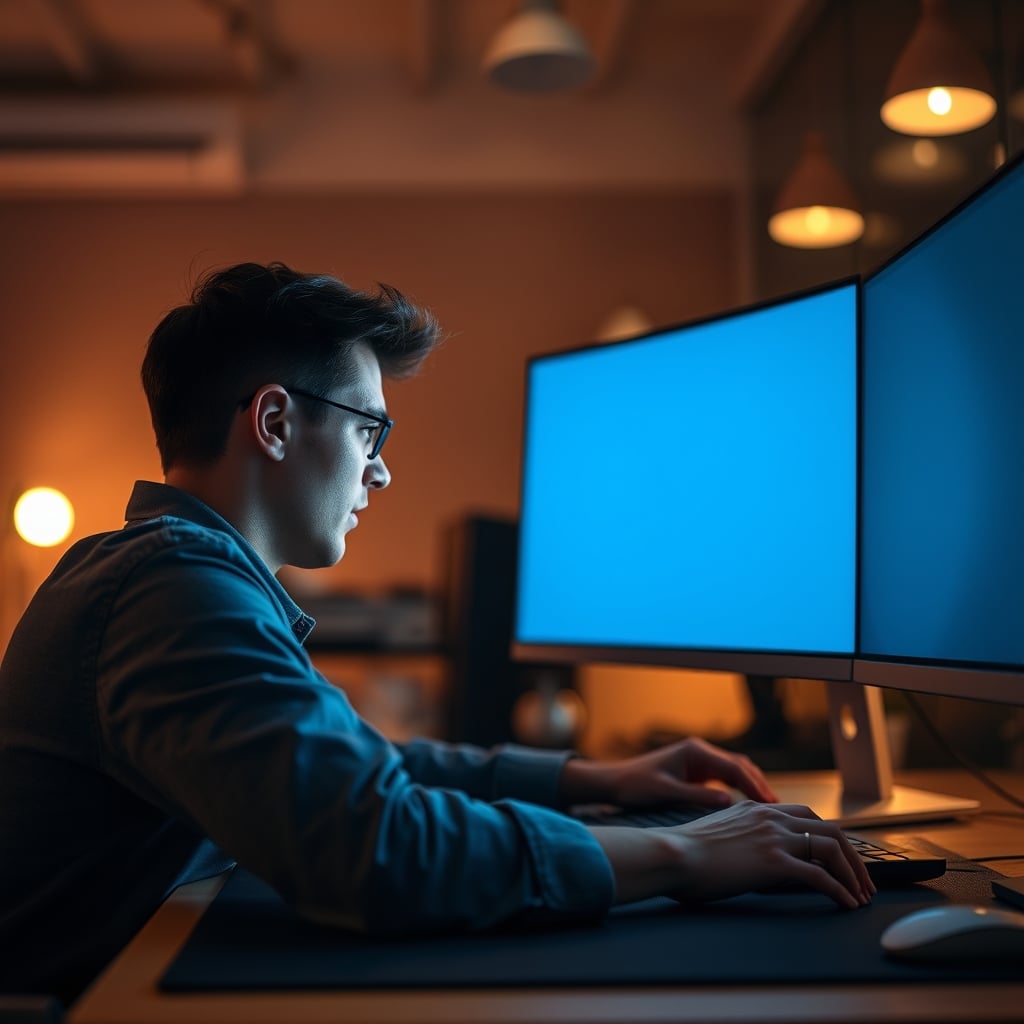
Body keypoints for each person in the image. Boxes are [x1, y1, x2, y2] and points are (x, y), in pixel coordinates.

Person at [0, 262, 874, 1005]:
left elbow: (355, 768)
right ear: (273, 422)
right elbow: (376, 844)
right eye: (369, 429)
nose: (380, 468)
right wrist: (681, 854)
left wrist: (591, 777)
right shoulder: (169, 589)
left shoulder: (176, 574)